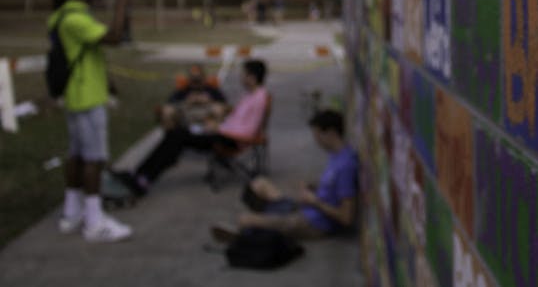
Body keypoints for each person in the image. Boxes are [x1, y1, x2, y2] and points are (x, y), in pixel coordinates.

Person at [50, 0, 133, 242]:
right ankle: (94, 222)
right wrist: (122, 0)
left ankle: (72, 213)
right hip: (87, 97)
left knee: (76, 154)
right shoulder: (74, 17)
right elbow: (114, 36)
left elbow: (87, 52)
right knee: (94, 159)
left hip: (78, 94)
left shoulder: (67, 14)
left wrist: (107, 80)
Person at [115, 59, 269, 196]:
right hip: (225, 134)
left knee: (178, 137)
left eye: (243, 74)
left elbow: (248, 129)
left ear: (252, 77)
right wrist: (218, 125)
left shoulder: (259, 98)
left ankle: (143, 179)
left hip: (230, 139)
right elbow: (237, 121)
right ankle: (140, 174)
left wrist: (219, 128)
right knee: (175, 135)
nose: (241, 77)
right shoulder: (250, 95)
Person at [211, 109, 358, 242]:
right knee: (260, 185)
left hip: (315, 223)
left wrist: (315, 202)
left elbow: (346, 217)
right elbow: (333, 187)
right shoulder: (337, 156)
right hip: (307, 209)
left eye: (317, 135)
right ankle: (264, 220)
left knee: (245, 219)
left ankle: (247, 232)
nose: (316, 141)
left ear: (330, 133)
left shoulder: (345, 165)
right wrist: (313, 187)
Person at [157, 63, 227, 132]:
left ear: (203, 78)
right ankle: (171, 135)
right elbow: (171, 102)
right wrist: (187, 101)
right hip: (186, 114)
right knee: (167, 110)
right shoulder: (184, 89)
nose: (196, 82)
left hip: (207, 114)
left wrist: (209, 100)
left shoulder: (210, 89)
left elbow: (223, 102)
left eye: (198, 79)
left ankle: (214, 136)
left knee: (218, 109)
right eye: (194, 79)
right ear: (189, 79)